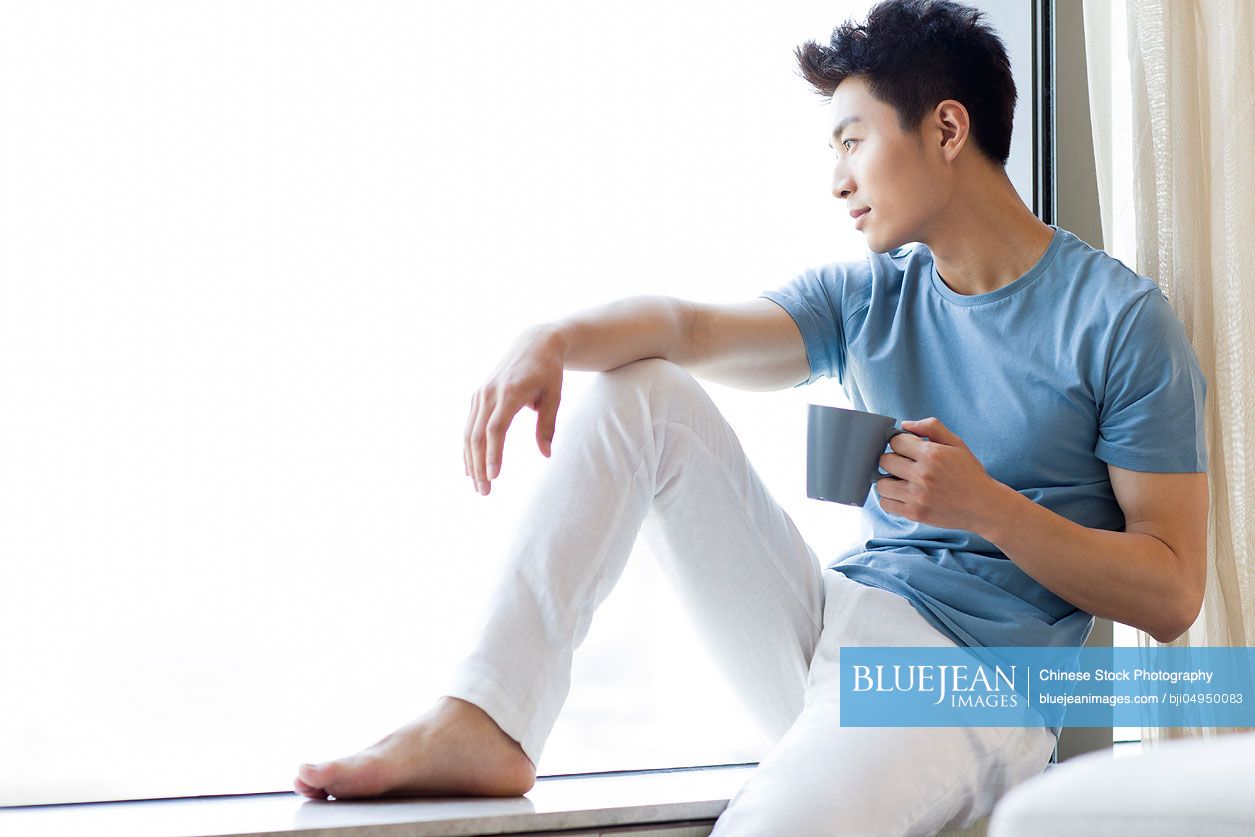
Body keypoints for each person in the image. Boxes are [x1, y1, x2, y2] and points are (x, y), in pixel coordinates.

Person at [292, 0, 1210, 832]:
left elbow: (1171, 594)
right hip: (835, 622)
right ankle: (490, 715)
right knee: (641, 394)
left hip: (969, 679)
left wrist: (984, 507)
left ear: (944, 128)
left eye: (851, 140)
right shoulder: (869, 298)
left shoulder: (1119, 322)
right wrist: (551, 337)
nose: (837, 178)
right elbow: (686, 328)